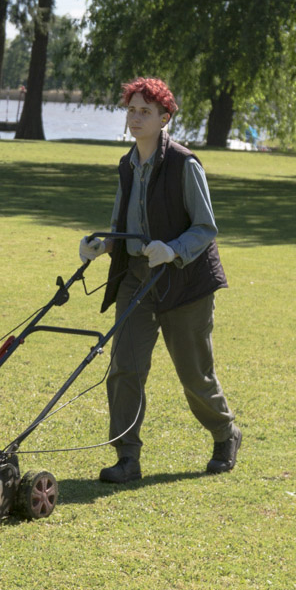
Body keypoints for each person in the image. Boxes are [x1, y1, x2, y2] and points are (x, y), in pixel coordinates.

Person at [79, 77, 240, 484]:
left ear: (165, 117)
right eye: (131, 109)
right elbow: (123, 224)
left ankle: (225, 433)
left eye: (145, 111)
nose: (135, 118)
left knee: (193, 375)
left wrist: (172, 249)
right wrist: (103, 245)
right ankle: (127, 457)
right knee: (124, 368)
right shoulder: (127, 163)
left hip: (186, 283)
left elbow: (206, 229)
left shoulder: (185, 164)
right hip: (136, 279)